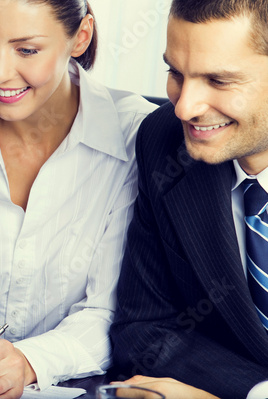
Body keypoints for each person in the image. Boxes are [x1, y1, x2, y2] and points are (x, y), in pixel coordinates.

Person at [0, 0, 156, 398]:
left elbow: (109, 312)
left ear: (80, 38)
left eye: (27, 50)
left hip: (78, 382)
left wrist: (27, 362)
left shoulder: (138, 134)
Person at [110, 0, 268, 398]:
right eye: (175, 73)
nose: (184, 107)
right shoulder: (163, 141)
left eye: (218, 81)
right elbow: (144, 330)